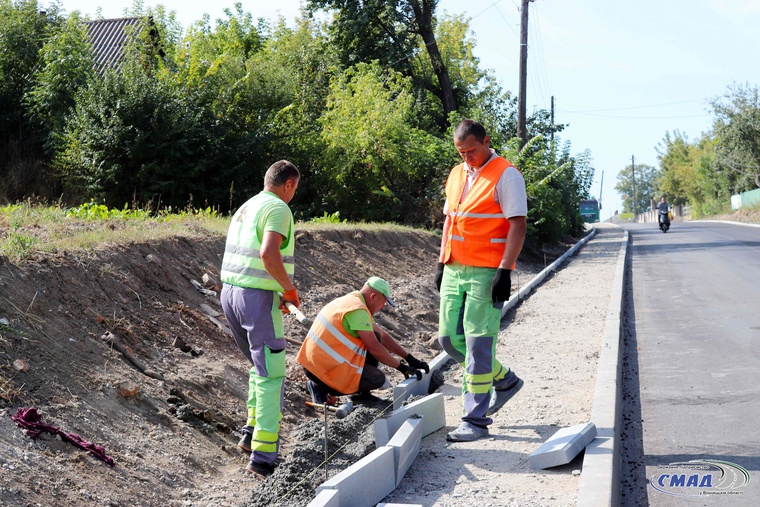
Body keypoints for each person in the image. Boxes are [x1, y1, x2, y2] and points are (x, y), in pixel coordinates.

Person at [435, 119, 528, 442]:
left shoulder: (507, 175)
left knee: (478, 344)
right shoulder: (457, 174)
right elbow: (450, 219)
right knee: (448, 339)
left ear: (486, 141)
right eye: (461, 153)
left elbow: (517, 225)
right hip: (454, 267)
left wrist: (505, 270)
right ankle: (504, 380)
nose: (467, 158)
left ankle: (474, 420)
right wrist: (440, 259)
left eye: (471, 151)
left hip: (487, 271)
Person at [219, 160, 301, 478]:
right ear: (289, 184)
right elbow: (269, 254)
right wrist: (288, 290)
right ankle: (264, 457)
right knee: (272, 375)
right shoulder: (278, 207)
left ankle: (250, 434)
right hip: (257, 300)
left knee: (259, 366)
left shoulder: (248, 205)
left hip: (231, 294)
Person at [296, 276, 429, 405]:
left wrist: (410, 358)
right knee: (376, 378)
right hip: (322, 369)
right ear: (373, 297)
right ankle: (331, 390)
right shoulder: (357, 310)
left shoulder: (351, 301)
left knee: (375, 335)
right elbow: (375, 348)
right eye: (383, 302)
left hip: (313, 365)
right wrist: (402, 368)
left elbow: (382, 336)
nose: (382, 307)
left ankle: (353, 393)